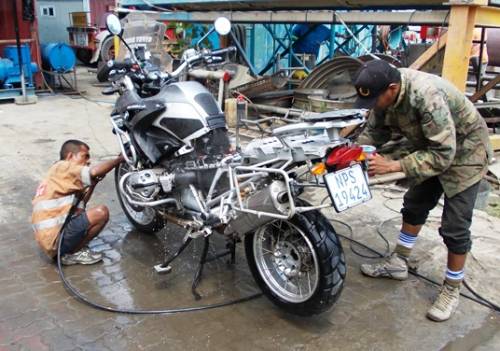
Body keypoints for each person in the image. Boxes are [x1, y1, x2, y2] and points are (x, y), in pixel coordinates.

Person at [353, 60, 492, 322]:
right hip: (431, 147)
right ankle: (399, 261)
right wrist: (352, 153)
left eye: (375, 100)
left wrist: (394, 165)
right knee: (414, 205)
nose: (372, 106)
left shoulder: (426, 96)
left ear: (392, 89)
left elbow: (444, 154)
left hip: (464, 151)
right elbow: (374, 133)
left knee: (455, 226)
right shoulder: (383, 93)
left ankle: (452, 289)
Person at [32, 140, 124, 265]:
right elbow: (95, 171)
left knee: (87, 215)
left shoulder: (61, 177)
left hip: (52, 241)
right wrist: (120, 159)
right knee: (101, 212)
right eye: (84, 156)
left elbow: (80, 207)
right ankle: (71, 254)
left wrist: (93, 184)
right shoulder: (62, 166)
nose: (88, 161)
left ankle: (68, 251)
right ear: (70, 156)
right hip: (55, 240)